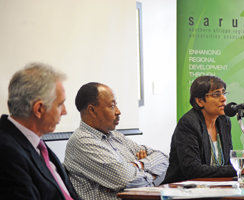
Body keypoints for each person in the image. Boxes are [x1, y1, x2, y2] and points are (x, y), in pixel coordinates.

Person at [63, 82, 169, 200]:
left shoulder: (114, 136)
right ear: (92, 110)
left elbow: (163, 157)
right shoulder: (82, 141)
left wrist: (139, 164)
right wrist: (152, 175)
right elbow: (126, 179)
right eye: (112, 106)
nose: (118, 111)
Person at [0, 63, 79, 200]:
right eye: (60, 104)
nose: (65, 111)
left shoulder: (36, 143)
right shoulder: (6, 151)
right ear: (39, 109)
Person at [162, 75, 244, 184]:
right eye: (216, 94)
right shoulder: (188, 123)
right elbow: (192, 170)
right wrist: (236, 169)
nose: (223, 98)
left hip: (216, 185)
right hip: (183, 189)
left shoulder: (224, 121)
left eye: (223, 93)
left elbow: (227, 161)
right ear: (199, 101)